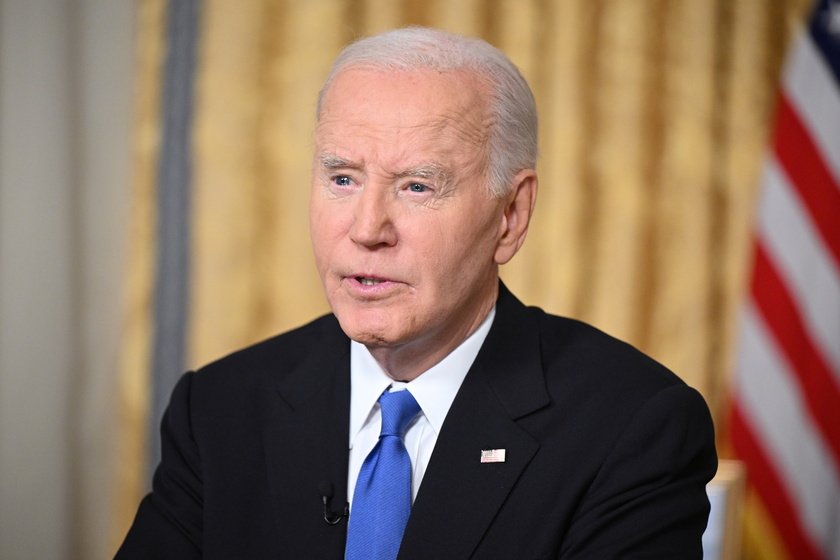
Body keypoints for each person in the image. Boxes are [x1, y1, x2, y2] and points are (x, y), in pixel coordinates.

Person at [116, 27, 717, 559]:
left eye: (417, 186)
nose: (367, 228)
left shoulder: (632, 428)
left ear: (510, 214)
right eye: (343, 178)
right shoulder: (219, 409)